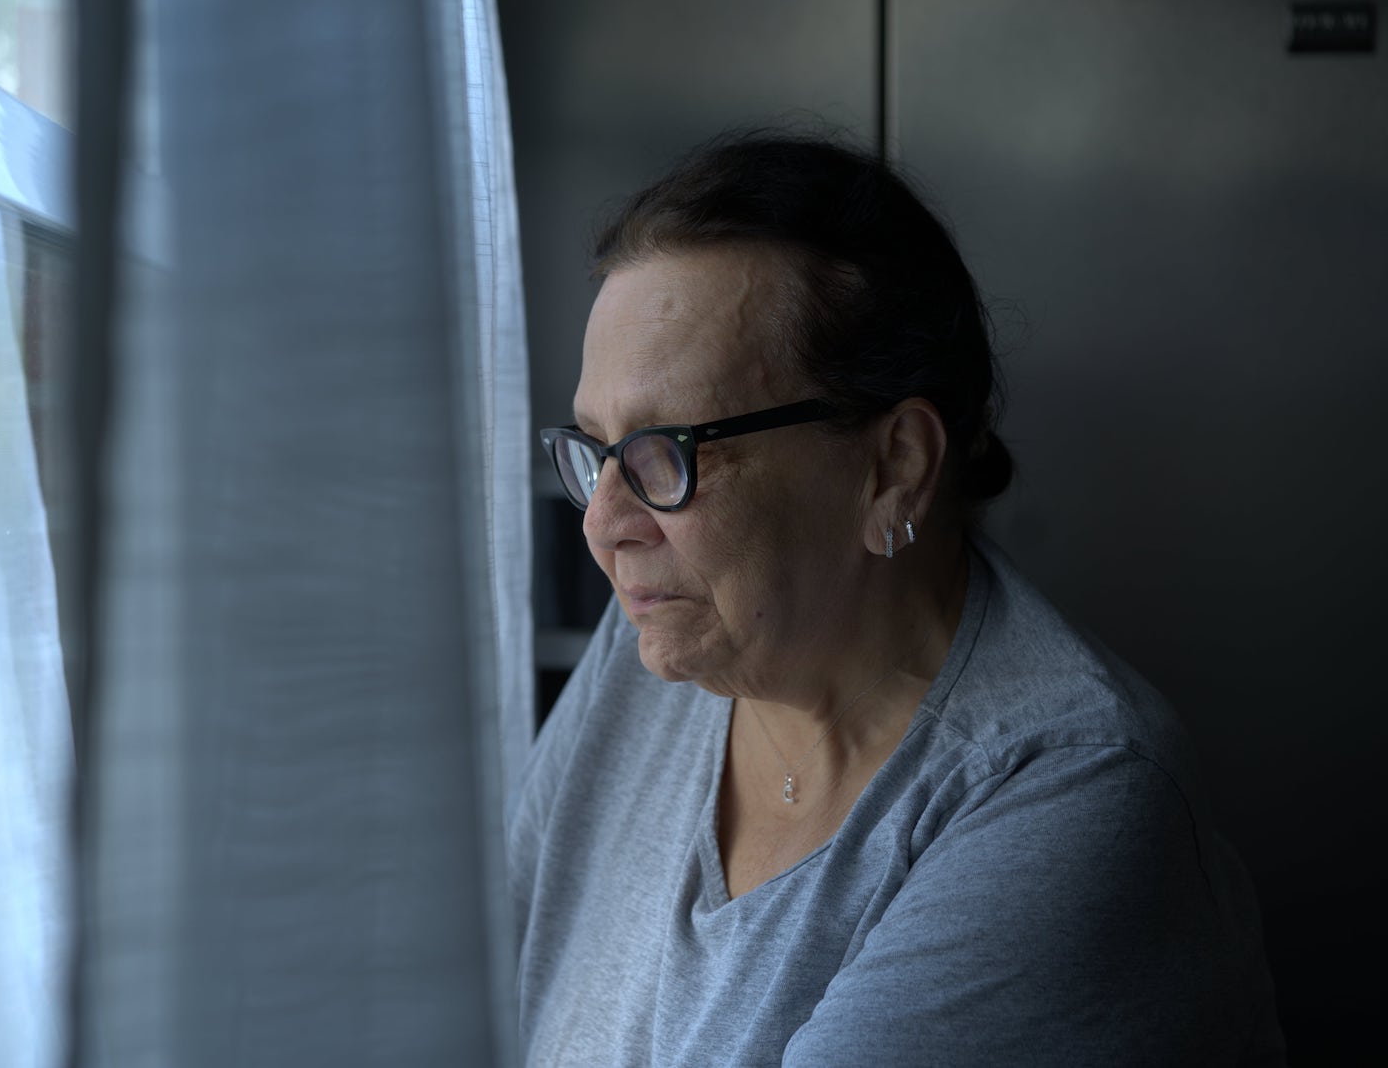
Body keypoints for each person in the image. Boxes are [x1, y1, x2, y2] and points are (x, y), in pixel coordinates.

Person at [506, 128, 1286, 1067]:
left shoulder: (1068, 794)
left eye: (666, 452)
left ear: (893, 466)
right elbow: (476, 969)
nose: (604, 525)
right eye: (596, 451)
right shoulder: (664, 633)